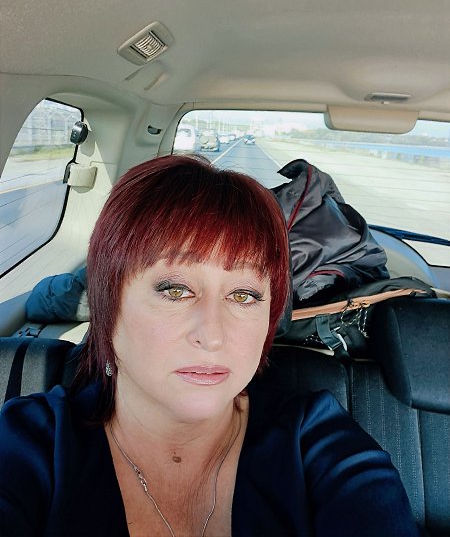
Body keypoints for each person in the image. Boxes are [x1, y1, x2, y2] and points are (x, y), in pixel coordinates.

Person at [0, 154, 418, 536]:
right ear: (110, 304)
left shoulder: (316, 446)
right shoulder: (28, 444)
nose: (213, 336)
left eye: (243, 295)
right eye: (175, 290)